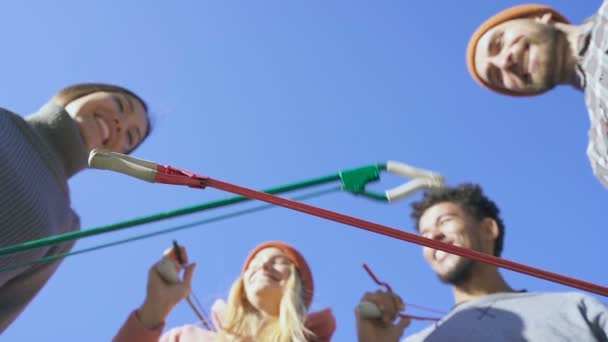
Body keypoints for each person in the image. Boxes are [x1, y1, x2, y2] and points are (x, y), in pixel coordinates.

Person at [356, 183, 608, 341]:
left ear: (488, 229)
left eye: (444, 221)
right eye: (424, 234)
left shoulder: (575, 308)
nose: (433, 236)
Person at [0, 83, 151, 332]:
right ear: (80, 92)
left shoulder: (66, 226)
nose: (119, 125)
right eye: (120, 105)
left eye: (129, 137)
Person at [465, 3, 608, 189]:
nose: (503, 62)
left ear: (539, 16)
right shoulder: (600, 151)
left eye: (499, 43)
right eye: (497, 76)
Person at [114, 241, 336, 342]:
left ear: (298, 285)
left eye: (279, 262)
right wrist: (154, 309)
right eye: (255, 262)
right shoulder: (186, 338)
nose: (264, 265)